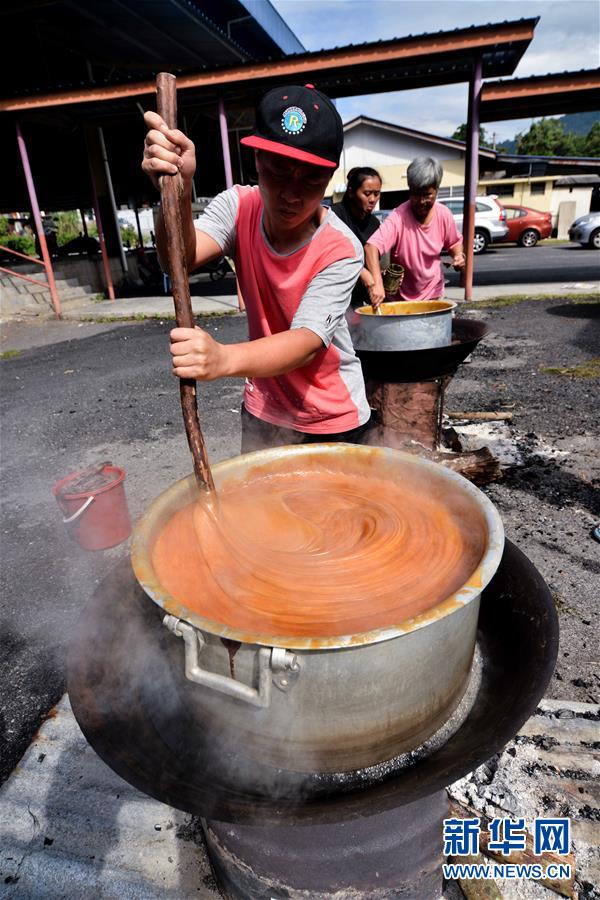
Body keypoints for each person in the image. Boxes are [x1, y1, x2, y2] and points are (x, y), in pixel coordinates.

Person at [142, 84, 371, 452]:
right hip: (264, 408)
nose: (292, 194)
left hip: (332, 417)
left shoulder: (341, 247)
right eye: (279, 169)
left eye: (311, 177)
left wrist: (222, 358)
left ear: (329, 179)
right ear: (258, 160)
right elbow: (177, 260)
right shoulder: (238, 207)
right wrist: (178, 189)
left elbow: (308, 342)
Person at [364, 157, 465, 307]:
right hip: (400, 301)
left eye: (427, 195)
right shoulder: (398, 217)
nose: (421, 201)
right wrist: (377, 284)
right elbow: (371, 247)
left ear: (436, 190)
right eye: (415, 194)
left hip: (433, 295)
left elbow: (454, 242)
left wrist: (458, 255)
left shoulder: (444, 214)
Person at [331, 167, 381, 307]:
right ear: (352, 192)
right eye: (367, 194)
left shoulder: (374, 224)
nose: (372, 199)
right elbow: (330, 255)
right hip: (335, 298)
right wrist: (361, 271)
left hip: (360, 301)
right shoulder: (334, 216)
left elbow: (376, 264)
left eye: (376, 194)